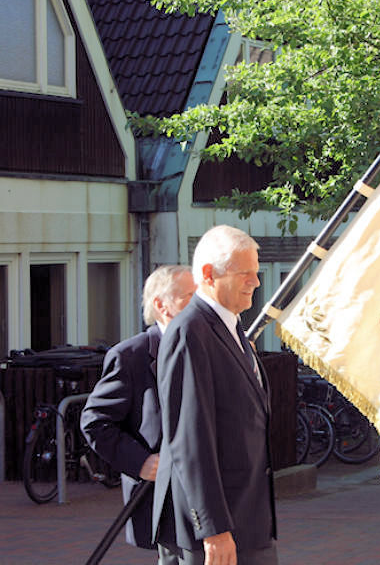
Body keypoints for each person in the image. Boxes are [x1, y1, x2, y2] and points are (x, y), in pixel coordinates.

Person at [153, 225, 278, 565]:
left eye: (256, 272)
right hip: (216, 534)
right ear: (209, 275)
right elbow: (189, 438)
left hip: (249, 521)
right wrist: (213, 529)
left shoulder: (232, 325)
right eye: (245, 274)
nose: (256, 282)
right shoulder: (189, 332)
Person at [81, 264, 196, 564]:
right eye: (190, 296)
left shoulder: (205, 348)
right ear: (161, 304)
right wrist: (141, 462)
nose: (200, 305)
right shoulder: (130, 356)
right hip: (161, 496)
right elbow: (95, 421)